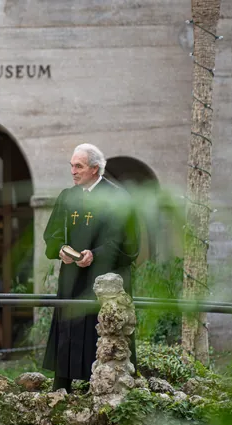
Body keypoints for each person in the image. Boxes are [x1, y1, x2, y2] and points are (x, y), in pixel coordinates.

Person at [42, 143, 139, 392]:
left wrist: (94, 255)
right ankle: (61, 390)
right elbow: (52, 235)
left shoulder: (117, 198)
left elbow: (127, 244)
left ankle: (98, 390)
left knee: (99, 335)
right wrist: (61, 250)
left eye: (79, 166)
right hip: (72, 279)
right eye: (72, 166)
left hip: (102, 281)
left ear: (95, 169)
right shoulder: (68, 196)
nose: (73, 171)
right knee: (69, 330)